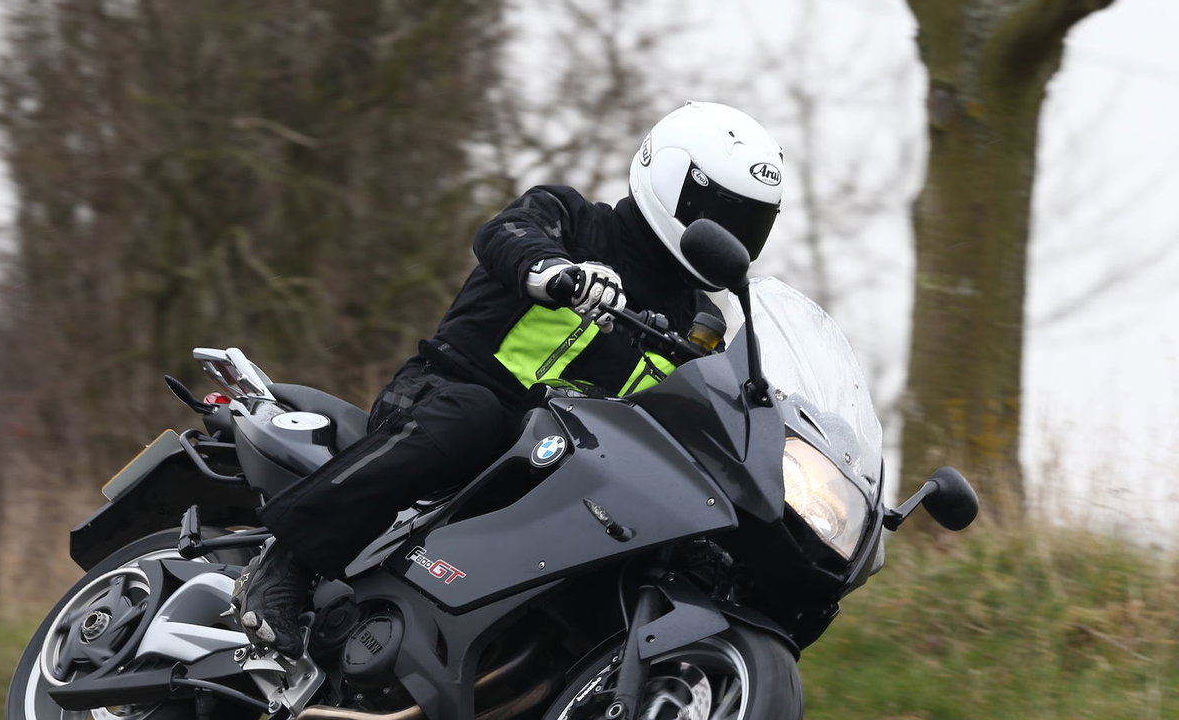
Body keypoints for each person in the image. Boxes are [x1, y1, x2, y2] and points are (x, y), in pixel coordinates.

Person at [234, 100, 786, 653]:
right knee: (471, 417)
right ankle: (286, 563)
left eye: (751, 224)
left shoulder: (698, 323)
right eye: (726, 214)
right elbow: (507, 234)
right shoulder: (572, 220)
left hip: (554, 463)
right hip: (441, 395)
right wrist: (558, 273)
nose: (735, 236)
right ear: (672, 179)